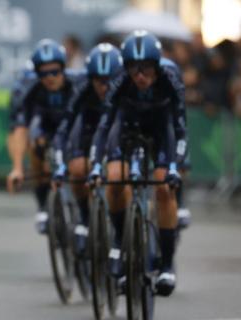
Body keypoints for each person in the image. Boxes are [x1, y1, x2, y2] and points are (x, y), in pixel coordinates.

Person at [88, 30, 187, 297]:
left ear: (156, 66)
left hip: (160, 129)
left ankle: (166, 266)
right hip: (126, 127)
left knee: (165, 188)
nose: (140, 75)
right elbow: (104, 126)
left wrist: (176, 166)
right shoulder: (120, 82)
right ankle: (121, 240)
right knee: (115, 177)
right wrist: (96, 165)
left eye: (146, 69)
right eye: (133, 68)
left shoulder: (171, 81)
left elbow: (179, 129)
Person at [52, 43, 123, 256]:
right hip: (90, 130)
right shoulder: (82, 90)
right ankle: (84, 215)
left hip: (119, 130)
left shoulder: (125, 90)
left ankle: (124, 228)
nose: (104, 87)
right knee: (77, 169)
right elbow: (64, 130)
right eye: (99, 81)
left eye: (110, 80)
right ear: (90, 78)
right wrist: (60, 164)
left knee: (118, 175)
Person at [6, 38, 78, 234]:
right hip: (45, 127)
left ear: (64, 69)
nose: (50, 78)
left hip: (72, 129)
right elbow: (19, 129)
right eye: (44, 73)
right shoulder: (29, 89)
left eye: (55, 71)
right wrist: (18, 168)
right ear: (37, 74)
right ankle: (43, 205)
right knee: (36, 146)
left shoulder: (78, 83)